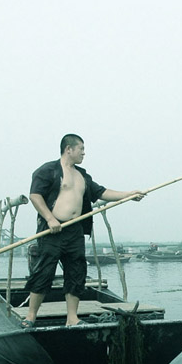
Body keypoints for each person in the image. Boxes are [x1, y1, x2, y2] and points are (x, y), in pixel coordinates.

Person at [21, 134, 145, 328]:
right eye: (81, 149)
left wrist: (128, 195)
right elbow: (35, 196)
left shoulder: (83, 176)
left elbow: (102, 192)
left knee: (76, 272)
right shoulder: (48, 170)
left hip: (75, 231)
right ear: (68, 149)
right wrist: (50, 218)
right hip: (52, 230)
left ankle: (72, 318)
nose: (84, 153)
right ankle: (30, 317)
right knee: (44, 272)